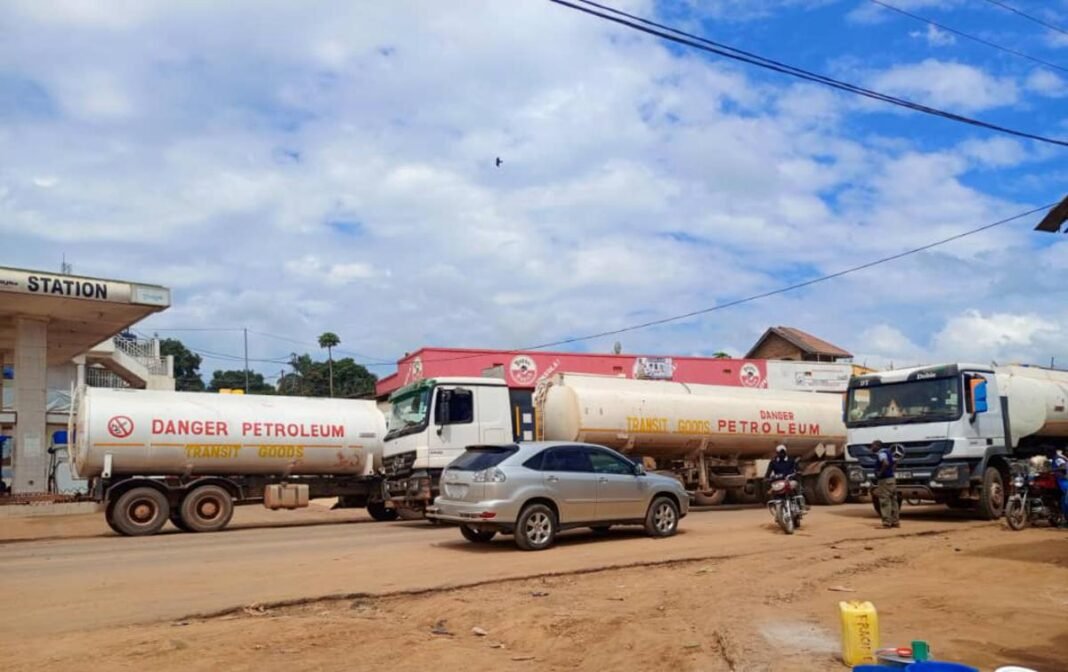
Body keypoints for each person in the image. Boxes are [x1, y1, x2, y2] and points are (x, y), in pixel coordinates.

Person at [871, 440, 899, 528]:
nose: (871, 448)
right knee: (893, 501)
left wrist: (880, 472)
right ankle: (895, 522)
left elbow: (885, 463)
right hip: (891, 480)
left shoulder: (881, 454)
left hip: (884, 481)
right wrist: (891, 472)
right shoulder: (889, 452)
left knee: (884, 501)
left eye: (872, 446)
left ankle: (886, 523)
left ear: (877, 446)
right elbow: (896, 462)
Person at [1051, 448, 1068, 528]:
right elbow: (1063, 467)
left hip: (1064, 480)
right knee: (1066, 496)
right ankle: (1066, 519)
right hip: (1062, 480)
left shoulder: (1065, 458)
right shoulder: (1059, 458)